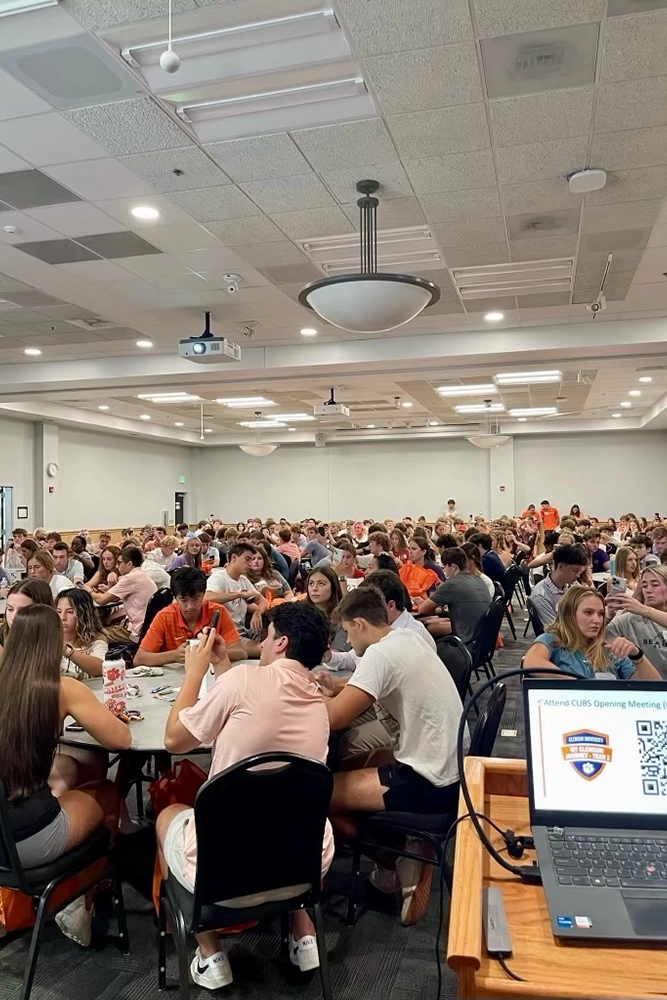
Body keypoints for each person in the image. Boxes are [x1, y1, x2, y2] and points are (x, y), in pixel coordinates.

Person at [156, 604, 334, 988]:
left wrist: (195, 673)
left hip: (225, 875)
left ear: (281, 642)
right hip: (299, 870)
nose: (261, 645)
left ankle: (210, 954)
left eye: (266, 636)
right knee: (293, 806)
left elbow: (175, 740)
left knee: (168, 814)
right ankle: (304, 933)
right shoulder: (318, 700)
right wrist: (224, 668)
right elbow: (251, 710)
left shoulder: (244, 682)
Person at [318, 587, 466, 925]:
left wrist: (303, 694)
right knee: (352, 763)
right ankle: (407, 846)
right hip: (451, 769)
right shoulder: (406, 638)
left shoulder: (379, 655)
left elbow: (335, 717)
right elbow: (367, 685)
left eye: (347, 630)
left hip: (429, 784)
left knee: (317, 794)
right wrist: (336, 689)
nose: (347, 638)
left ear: (358, 624)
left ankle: (393, 863)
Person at [0, 605, 130, 946]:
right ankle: (79, 900)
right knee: (106, 792)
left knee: (72, 777)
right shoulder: (62, 688)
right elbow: (121, 739)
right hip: (30, 836)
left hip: (3, 836)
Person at [523, 587, 660, 680]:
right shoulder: (553, 641)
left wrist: (637, 655)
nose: (597, 620)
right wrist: (579, 685)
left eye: (600, 614)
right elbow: (531, 663)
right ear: (569, 615)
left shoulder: (610, 648)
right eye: (588, 613)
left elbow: (655, 689)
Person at [327, 570, 436, 672]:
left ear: (391, 606)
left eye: (370, 606)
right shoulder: (380, 631)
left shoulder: (410, 638)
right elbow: (355, 658)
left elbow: (369, 681)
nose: (364, 613)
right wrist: (328, 657)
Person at [135, 567, 246, 666]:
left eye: (196, 598)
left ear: (204, 594)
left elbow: (240, 652)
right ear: (175, 598)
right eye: (183, 600)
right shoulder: (164, 617)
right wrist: (174, 656)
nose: (190, 606)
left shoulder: (218, 612)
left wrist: (210, 653)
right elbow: (139, 658)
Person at [418, 547, 492, 649]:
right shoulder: (478, 580)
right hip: (481, 638)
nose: (444, 571)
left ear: (453, 567)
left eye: (445, 567)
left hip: (465, 640)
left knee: (423, 628)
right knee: (436, 621)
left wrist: (423, 602)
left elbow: (422, 609)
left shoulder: (452, 584)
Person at [605, 565, 667, 678]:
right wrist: (608, 615)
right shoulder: (629, 619)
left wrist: (643, 609)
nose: (648, 590)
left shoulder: (642, 610)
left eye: (655, 585)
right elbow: (595, 639)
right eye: (644, 585)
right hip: (647, 688)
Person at [91, 546, 157, 641]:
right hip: (144, 627)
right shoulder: (140, 574)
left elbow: (102, 600)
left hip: (135, 631)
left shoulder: (130, 578)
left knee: (92, 636)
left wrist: (88, 591)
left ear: (129, 564)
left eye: (119, 563)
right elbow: (115, 598)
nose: (117, 566)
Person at [205, 541, 267, 639]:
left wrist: (258, 612)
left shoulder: (243, 580)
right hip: (226, 634)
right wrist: (239, 594)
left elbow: (262, 600)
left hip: (241, 630)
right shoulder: (218, 578)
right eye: (247, 559)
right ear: (234, 557)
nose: (250, 564)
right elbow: (207, 598)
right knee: (264, 648)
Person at [529, 544, 589, 628]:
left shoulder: (570, 584)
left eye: (580, 572)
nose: (578, 576)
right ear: (561, 566)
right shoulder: (541, 596)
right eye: (575, 571)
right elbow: (554, 629)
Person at [57, 589, 108, 678]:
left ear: (83, 615)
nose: (62, 617)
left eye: (70, 612)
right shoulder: (48, 639)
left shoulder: (96, 640)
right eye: (59, 612)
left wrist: (67, 651)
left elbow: (101, 669)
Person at [0, 577, 54, 646]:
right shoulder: (2, 635)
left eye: (22, 611)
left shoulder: (56, 642)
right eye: (10, 609)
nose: (14, 617)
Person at [399, 537, 440, 601]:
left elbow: (437, 595)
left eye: (414, 549)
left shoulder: (434, 569)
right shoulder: (407, 568)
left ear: (423, 551)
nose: (410, 552)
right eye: (409, 548)